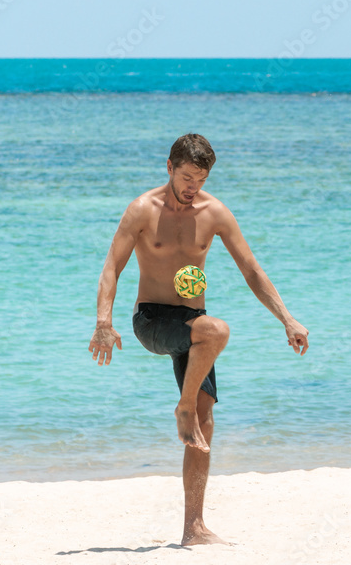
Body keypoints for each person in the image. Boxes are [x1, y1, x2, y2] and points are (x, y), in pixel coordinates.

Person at [88, 133, 309, 546]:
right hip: (152, 320)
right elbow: (111, 268)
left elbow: (252, 270)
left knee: (204, 421)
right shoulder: (142, 209)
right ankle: (184, 407)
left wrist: (287, 319)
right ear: (169, 167)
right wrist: (104, 321)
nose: (193, 187)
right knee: (217, 331)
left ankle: (193, 529)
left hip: (193, 324)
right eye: (187, 177)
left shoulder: (214, 212)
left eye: (201, 180)